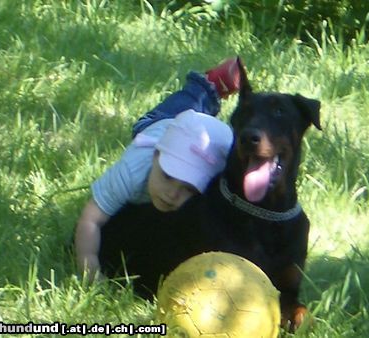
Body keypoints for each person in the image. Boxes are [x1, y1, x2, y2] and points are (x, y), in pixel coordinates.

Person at [75, 57, 245, 281]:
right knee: (193, 100)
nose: (172, 193)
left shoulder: (215, 179)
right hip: (161, 123)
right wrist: (90, 268)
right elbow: (90, 220)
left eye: (189, 188)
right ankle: (210, 84)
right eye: (167, 175)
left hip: (198, 138)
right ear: (157, 157)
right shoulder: (132, 172)